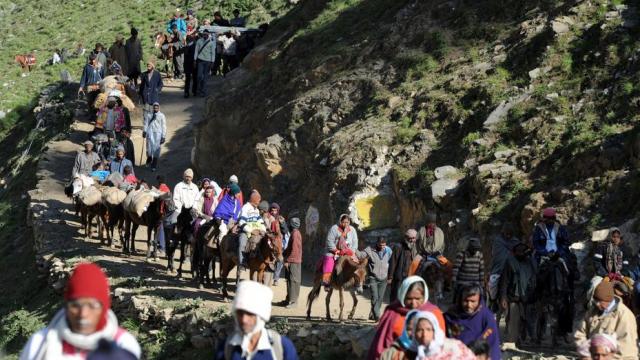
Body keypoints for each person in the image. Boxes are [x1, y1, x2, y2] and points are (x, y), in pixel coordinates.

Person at [19, 263, 141, 359]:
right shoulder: (39, 343)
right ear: (66, 304)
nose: (83, 314)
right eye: (75, 305)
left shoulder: (124, 344)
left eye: (92, 306)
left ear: (105, 307)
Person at [215, 280, 298, 360]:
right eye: (240, 313)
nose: (244, 320)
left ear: (261, 315)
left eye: (250, 314)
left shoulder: (282, 347)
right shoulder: (226, 348)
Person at [368, 276, 445, 360]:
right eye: (409, 298)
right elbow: (380, 344)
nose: (413, 303)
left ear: (424, 296)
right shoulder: (392, 313)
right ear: (402, 295)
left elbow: (441, 345)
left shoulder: (434, 313)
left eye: (418, 298)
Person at [574, 281, 638, 360]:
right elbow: (580, 333)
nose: (597, 304)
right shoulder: (593, 311)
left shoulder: (624, 316)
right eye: (596, 300)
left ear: (609, 300)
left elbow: (626, 350)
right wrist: (585, 353)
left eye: (600, 301)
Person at [444, 285, 501, 360]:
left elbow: (492, 343)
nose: (469, 305)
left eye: (473, 301)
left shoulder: (487, 316)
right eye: (465, 301)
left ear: (479, 300)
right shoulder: (451, 316)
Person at [499, 243, 537, 345]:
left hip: (527, 297)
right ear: (515, 253)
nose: (521, 254)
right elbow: (504, 281)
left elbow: (534, 278)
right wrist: (503, 297)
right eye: (519, 251)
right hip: (513, 297)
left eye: (523, 252)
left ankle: (524, 338)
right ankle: (513, 341)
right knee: (514, 320)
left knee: (526, 320)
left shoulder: (529, 263)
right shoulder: (510, 263)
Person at [407, 311, 475, 359]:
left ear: (435, 331)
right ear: (414, 333)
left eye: (428, 329)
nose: (424, 334)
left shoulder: (452, 346)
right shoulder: (410, 353)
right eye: (419, 330)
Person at [487, 222, 520, 311]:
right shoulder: (498, 241)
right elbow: (496, 256)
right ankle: (493, 301)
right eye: (506, 233)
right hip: (499, 269)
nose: (508, 235)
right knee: (492, 283)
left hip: (512, 269)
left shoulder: (516, 242)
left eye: (510, 234)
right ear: (503, 232)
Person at [323, 214, 359, 290]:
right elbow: (329, 241)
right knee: (329, 261)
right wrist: (337, 251)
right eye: (343, 222)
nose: (345, 224)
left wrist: (351, 251)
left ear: (349, 222)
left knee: (358, 264)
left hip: (349, 251)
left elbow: (355, 242)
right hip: (334, 251)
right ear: (340, 221)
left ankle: (357, 283)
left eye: (347, 222)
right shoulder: (334, 228)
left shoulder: (352, 230)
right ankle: (327, 282)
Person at [363, 237, 392, 321]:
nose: (382, 247)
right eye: (380, 245)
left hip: (384, 278)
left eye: (384, 245)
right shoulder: (371, 250)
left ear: (386, 244)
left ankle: (373, 314)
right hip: (373, 277)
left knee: (380, 297)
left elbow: (390, 261)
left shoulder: (389, 251)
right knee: (375, 296)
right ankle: (377, 315)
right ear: (377, 243)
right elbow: (361, 255)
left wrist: (389, 275)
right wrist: (353, 249)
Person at [238, 191, 267, 271]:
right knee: (242, 243)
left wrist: (263, 230)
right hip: (246, 231)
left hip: (257, 230)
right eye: (258, 200)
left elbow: (260, 222)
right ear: (253, 200)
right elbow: (241, 222)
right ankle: (242, 263)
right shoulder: (245, 208)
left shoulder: (256, 210)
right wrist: (251, 231)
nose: (259, 202)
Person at [389, 229, 419, 303]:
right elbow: (393, 262)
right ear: (406, 237)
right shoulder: (398, 247)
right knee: (396, 298)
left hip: (410, 278)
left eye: (413, 238)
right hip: (399, 278)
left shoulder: (416, 248)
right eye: (410, 238)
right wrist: (390, 277)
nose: (412, 240)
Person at [283, 217, 302, 308]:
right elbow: (289, 248)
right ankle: (288, 299)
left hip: (294, 261)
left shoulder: (295, 234)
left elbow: (294, 250)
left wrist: (287, 260)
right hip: (292, 260)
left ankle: (294, 302)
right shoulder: (294, 233)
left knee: (294, 281)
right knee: (289, 280)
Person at [142, 102, 166, 171]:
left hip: (158, 134)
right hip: (150, 133)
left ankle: (154, 164)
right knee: (149, 148)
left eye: (157, 108)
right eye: (154, 107)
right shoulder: (149, 115)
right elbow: (146, 123)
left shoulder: (162, 115)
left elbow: (164, 126)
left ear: (159, 108)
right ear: (153, 108)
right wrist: (144, 131)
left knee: (156, 149)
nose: (155, 109)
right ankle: (149, 158)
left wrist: (163, 136)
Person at [78, 54, 104, 119]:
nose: (93, 61)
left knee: (98, 101)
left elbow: (103, 76)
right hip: (90, 86)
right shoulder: (87, 67)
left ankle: (98, 116)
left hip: (98, 86)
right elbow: (84, 77)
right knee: (90, 101)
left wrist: (102, 85)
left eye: (94, 60)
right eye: (91, 60)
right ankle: (92, 115)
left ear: (96, 59)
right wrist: (81, 87)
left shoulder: (100, 67)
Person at [195, 29, 216, 97]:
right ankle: (198, 89)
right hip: (200, 60)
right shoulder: (199, 41)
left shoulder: (211, 42)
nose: (205, 35)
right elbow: (196, 51)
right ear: (202, 34)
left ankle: (203, 91)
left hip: (208, 61)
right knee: (199, 76)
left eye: (206, 34)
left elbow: (213, 53)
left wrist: (212, 62)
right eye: (204, 34)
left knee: (205, 77)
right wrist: (194, 60)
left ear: (208, 35)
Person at [183, 30, 198, 98]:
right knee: (194, 78)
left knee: (188, 79)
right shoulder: (194, 46)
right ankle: (193, 91)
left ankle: (187, 92)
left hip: (189, 64)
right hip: (193, 64)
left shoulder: (186, 47)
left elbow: (185, 55)